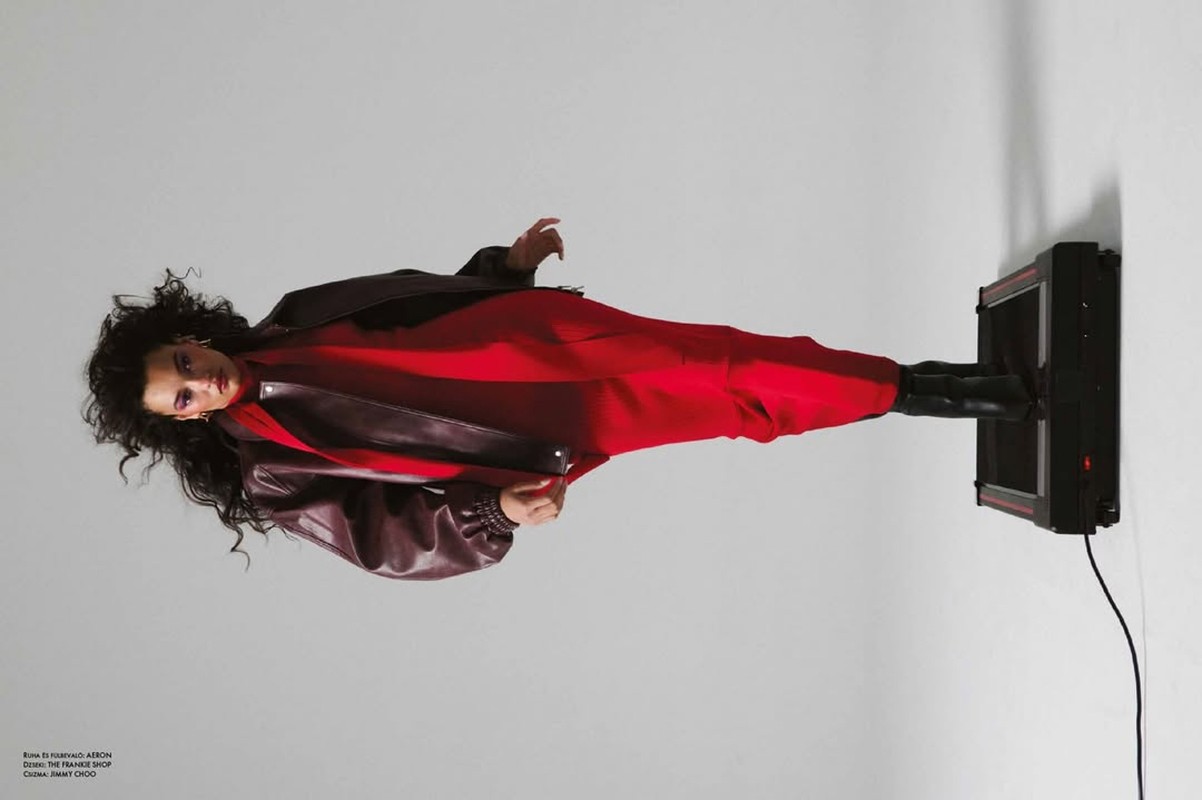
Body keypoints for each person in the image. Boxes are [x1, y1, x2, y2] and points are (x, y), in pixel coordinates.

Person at [84, 218, 1035, 581]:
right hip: (541, 427)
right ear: (185, 421)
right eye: (181, 398)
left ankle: (947, 389)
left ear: (192, 333)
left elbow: (416, 303)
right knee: (730, 404)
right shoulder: (272, 470)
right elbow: (386, 541)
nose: (199, 381)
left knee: (729, 357)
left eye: (184, 360)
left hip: (538, 339)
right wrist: (492, 513)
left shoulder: (298, 313)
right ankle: (931, 394)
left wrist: (503, 268)